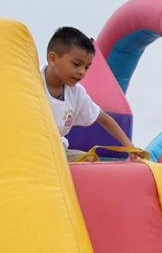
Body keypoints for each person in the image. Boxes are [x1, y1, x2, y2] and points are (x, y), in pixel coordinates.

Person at [42, 26, 135, 157]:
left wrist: (129, 147)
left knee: (89, 159)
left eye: (86, 67)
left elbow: (102, 117)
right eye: (76, 64)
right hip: (32, 148)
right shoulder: (33, 81)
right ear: (53, 59)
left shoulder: (76, 92)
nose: (82, 72)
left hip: (57, 151)